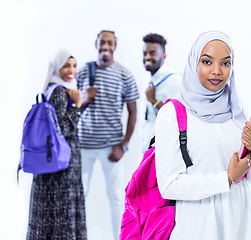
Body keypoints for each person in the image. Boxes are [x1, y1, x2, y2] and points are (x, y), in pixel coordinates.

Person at [155, 30, 251, 239]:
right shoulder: (172, 114)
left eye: (225, 63)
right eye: (207, 62)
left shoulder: (236, 109)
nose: (217, 71)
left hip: (240, 222)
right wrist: (226, 179)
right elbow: (168, 185)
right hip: (200, 224)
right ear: (194, 63)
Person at [76, 30, 139, 240]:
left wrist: (124, 145)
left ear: (115, 46)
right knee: (79, 196)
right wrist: (84, 99)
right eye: (102, 42)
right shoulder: (83, 72)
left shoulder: (124, 74)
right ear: (96, 44)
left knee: (115, 197)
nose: (106, 46)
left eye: (110, 43)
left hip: (112, 148)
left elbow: (133, 112)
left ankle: (118, 237)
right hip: (83, 146)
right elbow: (70, 109)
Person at [27, 49, 87, 239]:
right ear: (56, 67)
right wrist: (78, 105)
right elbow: (63, 129)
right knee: (61, 210)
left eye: (74, 65)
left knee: (48, 210)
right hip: (62, 166)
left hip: (50, 162)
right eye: (66, 65)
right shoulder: (61, 93)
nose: (71, 70)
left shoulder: (49, 89)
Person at [140, 33, 181, 152]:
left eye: (152, 53)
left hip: (164, 149)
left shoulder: (173, 81)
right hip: (147, 147)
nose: (147, 57)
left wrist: (153, 101)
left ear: (163, 56)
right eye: (144, 53)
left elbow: (177, 117)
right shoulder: (150, 80)